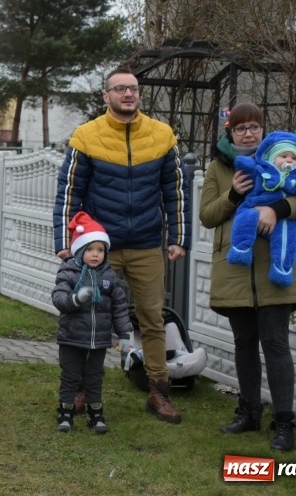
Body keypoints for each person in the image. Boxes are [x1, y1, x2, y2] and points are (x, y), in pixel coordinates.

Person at [52, 65, 191, 425]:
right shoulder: (86, 135)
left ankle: (159, 393)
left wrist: (177, 238)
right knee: (87, 315)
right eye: (120, 89)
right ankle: (80, 389)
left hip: (147, 242)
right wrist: (66, 242)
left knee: (153, 318)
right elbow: (70, 193)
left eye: (132, 88)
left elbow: (175, 192)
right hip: (100, 247)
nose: (128, 94)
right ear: (106, 96)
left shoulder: (162, 135)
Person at [198, 102, 296, 451]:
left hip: (275, 268)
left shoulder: (283, 156)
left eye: (254, 127)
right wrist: (234, 195)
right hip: (235, 269)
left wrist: (275, 210)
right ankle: (249, 412)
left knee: (275, 344)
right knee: (244, 343)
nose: (248, 133)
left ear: (263, 129)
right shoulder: (217, 167)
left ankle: (284, 423)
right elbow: (207, 216)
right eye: (241, 128)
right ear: (230, 132)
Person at [51, 211, 133, 434]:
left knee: (94, 377)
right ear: (79, 250)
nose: (95, 254)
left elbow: (119, 306)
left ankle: (95, 415)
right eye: (90, 249)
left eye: (100, 250)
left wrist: (125, 334)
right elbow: (58, 298)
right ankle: (65, 414)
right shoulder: (69, 272)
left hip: (99, 340)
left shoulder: (109, 276)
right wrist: (75, 299)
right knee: (70, 376)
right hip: (71, 337)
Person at [227, 131, 296, 286]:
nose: (289, 160)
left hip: (282, 220)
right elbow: (249, 173)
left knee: (286, 238)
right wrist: (244, 164)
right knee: (244, 219)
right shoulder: (261, 170)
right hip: (253, 206)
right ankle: (241, 250)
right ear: (271, 158)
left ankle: (282, 271)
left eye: (294, 158)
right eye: (284, 156)